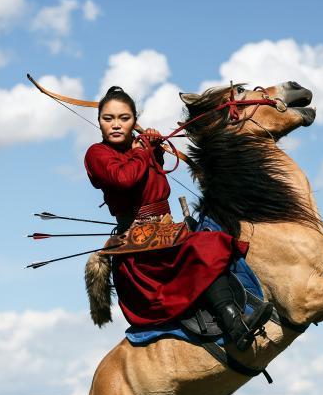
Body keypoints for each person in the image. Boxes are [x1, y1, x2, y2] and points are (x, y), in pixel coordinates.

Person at [84, 86, 274, 351]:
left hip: (164, 232)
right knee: (206, 246)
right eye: (108, 118)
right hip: (138, 245)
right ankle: (236, 325)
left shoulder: (139, 149)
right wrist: (143, 150)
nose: (116, 125)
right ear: (99, 121)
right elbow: (124, 179)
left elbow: (151, 183)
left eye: (124, 118)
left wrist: (155, 150)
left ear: (134, 120)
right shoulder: (97, 153)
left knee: (215, 236)